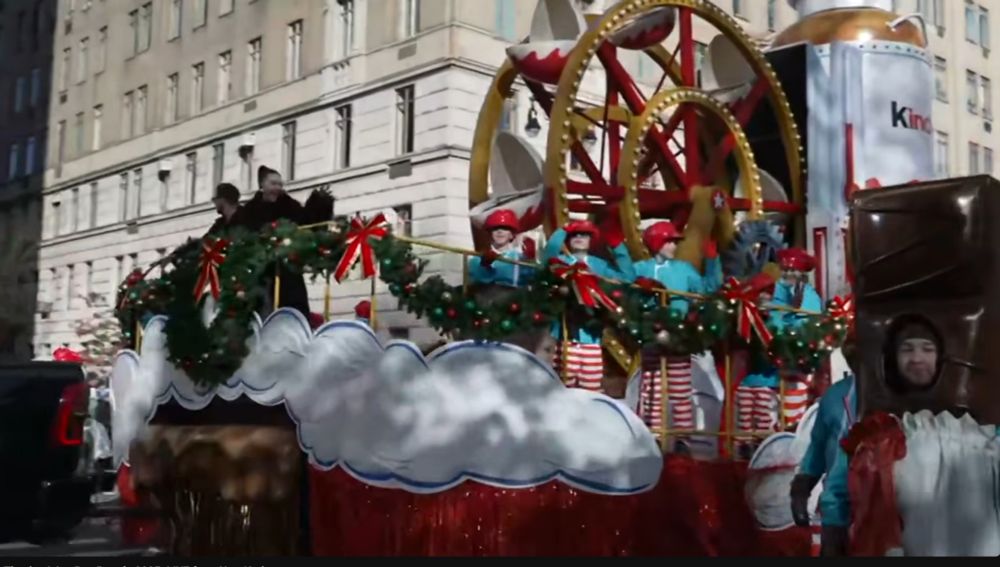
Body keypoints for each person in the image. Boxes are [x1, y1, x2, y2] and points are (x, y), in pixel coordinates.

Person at [819, 318, 940, 557]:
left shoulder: (967, 415)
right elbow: (842, 473)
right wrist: (833, 526)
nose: (917, 358)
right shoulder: (873, 418)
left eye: (927, 349)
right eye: (907, 349)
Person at [633, 221, 723, 445]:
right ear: (656, 243)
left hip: (679, 337)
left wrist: (712, 261)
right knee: (651, 390)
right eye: (669, 242)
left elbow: (707, 288)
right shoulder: (641, 268)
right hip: (651, 335)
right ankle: (651, 437)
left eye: (675, 242)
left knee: (681, 392)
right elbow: (625, 288)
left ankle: (682, 439)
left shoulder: (684, 269)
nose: (674, 246)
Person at [542, 217, 634, 393]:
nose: (579, 238)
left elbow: (627, 277)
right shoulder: (560, 262)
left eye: (584, 235)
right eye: (575, 234)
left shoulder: (599, 265)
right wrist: (562, 231)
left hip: (591, 336)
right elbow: (546, 259)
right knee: (562, 387)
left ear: (591, 240)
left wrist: (617, 247)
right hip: (565, 337)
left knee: (590, 388)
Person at [791, 341, 858, 557]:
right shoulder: (834, 396)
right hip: (836, 513)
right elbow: (818, 447)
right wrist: (801, 488)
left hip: (883, 513)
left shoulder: (895, 396)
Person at [242, 166, 335, 318]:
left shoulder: (289, 205)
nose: (277, 188)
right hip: (262, 273)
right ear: (262, 185)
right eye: (273, 183)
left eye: (280, 184)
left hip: (288, 272)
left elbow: (307, 222)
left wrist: (319, 202)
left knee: (293, 307)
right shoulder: (250, 210)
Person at [771, 247, 824, 430]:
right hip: (777, 364)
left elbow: (808, 327)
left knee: (794, 406)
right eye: (785, 270)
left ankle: (793, 433)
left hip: (798, 361)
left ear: (801, 273)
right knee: (776, 407)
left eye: (792, 270)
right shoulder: (777, 292)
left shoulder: (809, 296)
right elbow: (774, 318)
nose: (788, 274)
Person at [468, 209, 536, 288]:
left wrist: (531, 261)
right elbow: (476, 281)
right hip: (487, 294)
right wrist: (484, 265)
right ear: (490, 234)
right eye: (495, 228)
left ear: (511, 235)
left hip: (515, 294)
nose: (499, 231)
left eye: (504, 228)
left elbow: (532, 279)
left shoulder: (519, 258)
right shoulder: (477, 259)